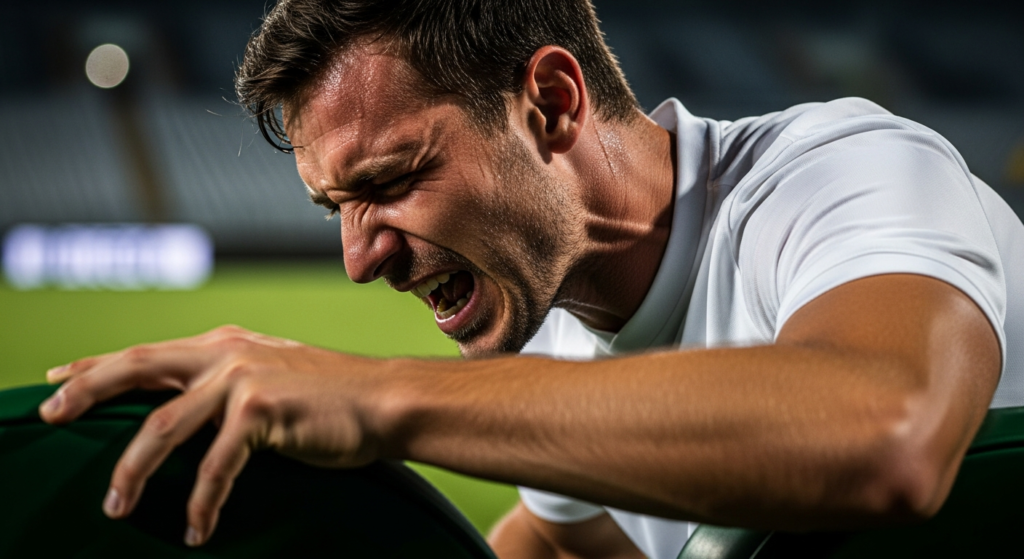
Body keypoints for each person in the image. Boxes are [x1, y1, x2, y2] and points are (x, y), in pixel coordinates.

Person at [39, 1, 1024, 558]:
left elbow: (885, 435)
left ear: (550, 102)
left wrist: (376, 394)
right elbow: (554, 542)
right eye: (334, 209)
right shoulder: (548, 332)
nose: (358, 258)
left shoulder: (843, 167)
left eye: (390, 183)